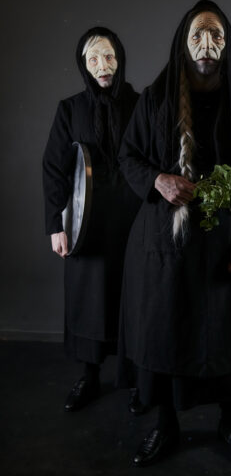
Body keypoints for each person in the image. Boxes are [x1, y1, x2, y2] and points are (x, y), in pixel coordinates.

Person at [117, 0, 231, 468]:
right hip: (167, 243)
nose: (207, 45)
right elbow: (129, 157)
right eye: (197, 36)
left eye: (216, 35)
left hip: (228, 242)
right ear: (183, 44)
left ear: (228, 44)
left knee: (230, 334)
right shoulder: (155, 98)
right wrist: (157, 180)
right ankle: (166, 424)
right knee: (166, 331)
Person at [43, 27, 141, 411]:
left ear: (120, 59)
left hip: (133, 223)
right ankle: (90, 376)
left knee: (132, 298)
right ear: (84, 65)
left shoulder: (139, 104)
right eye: (94, 58)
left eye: (110, 56)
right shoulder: (70, 109)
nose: (104, 65)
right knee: (89, 300)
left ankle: (135, 379)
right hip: (85, 225)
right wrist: (55, 225)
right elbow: (54, 168)